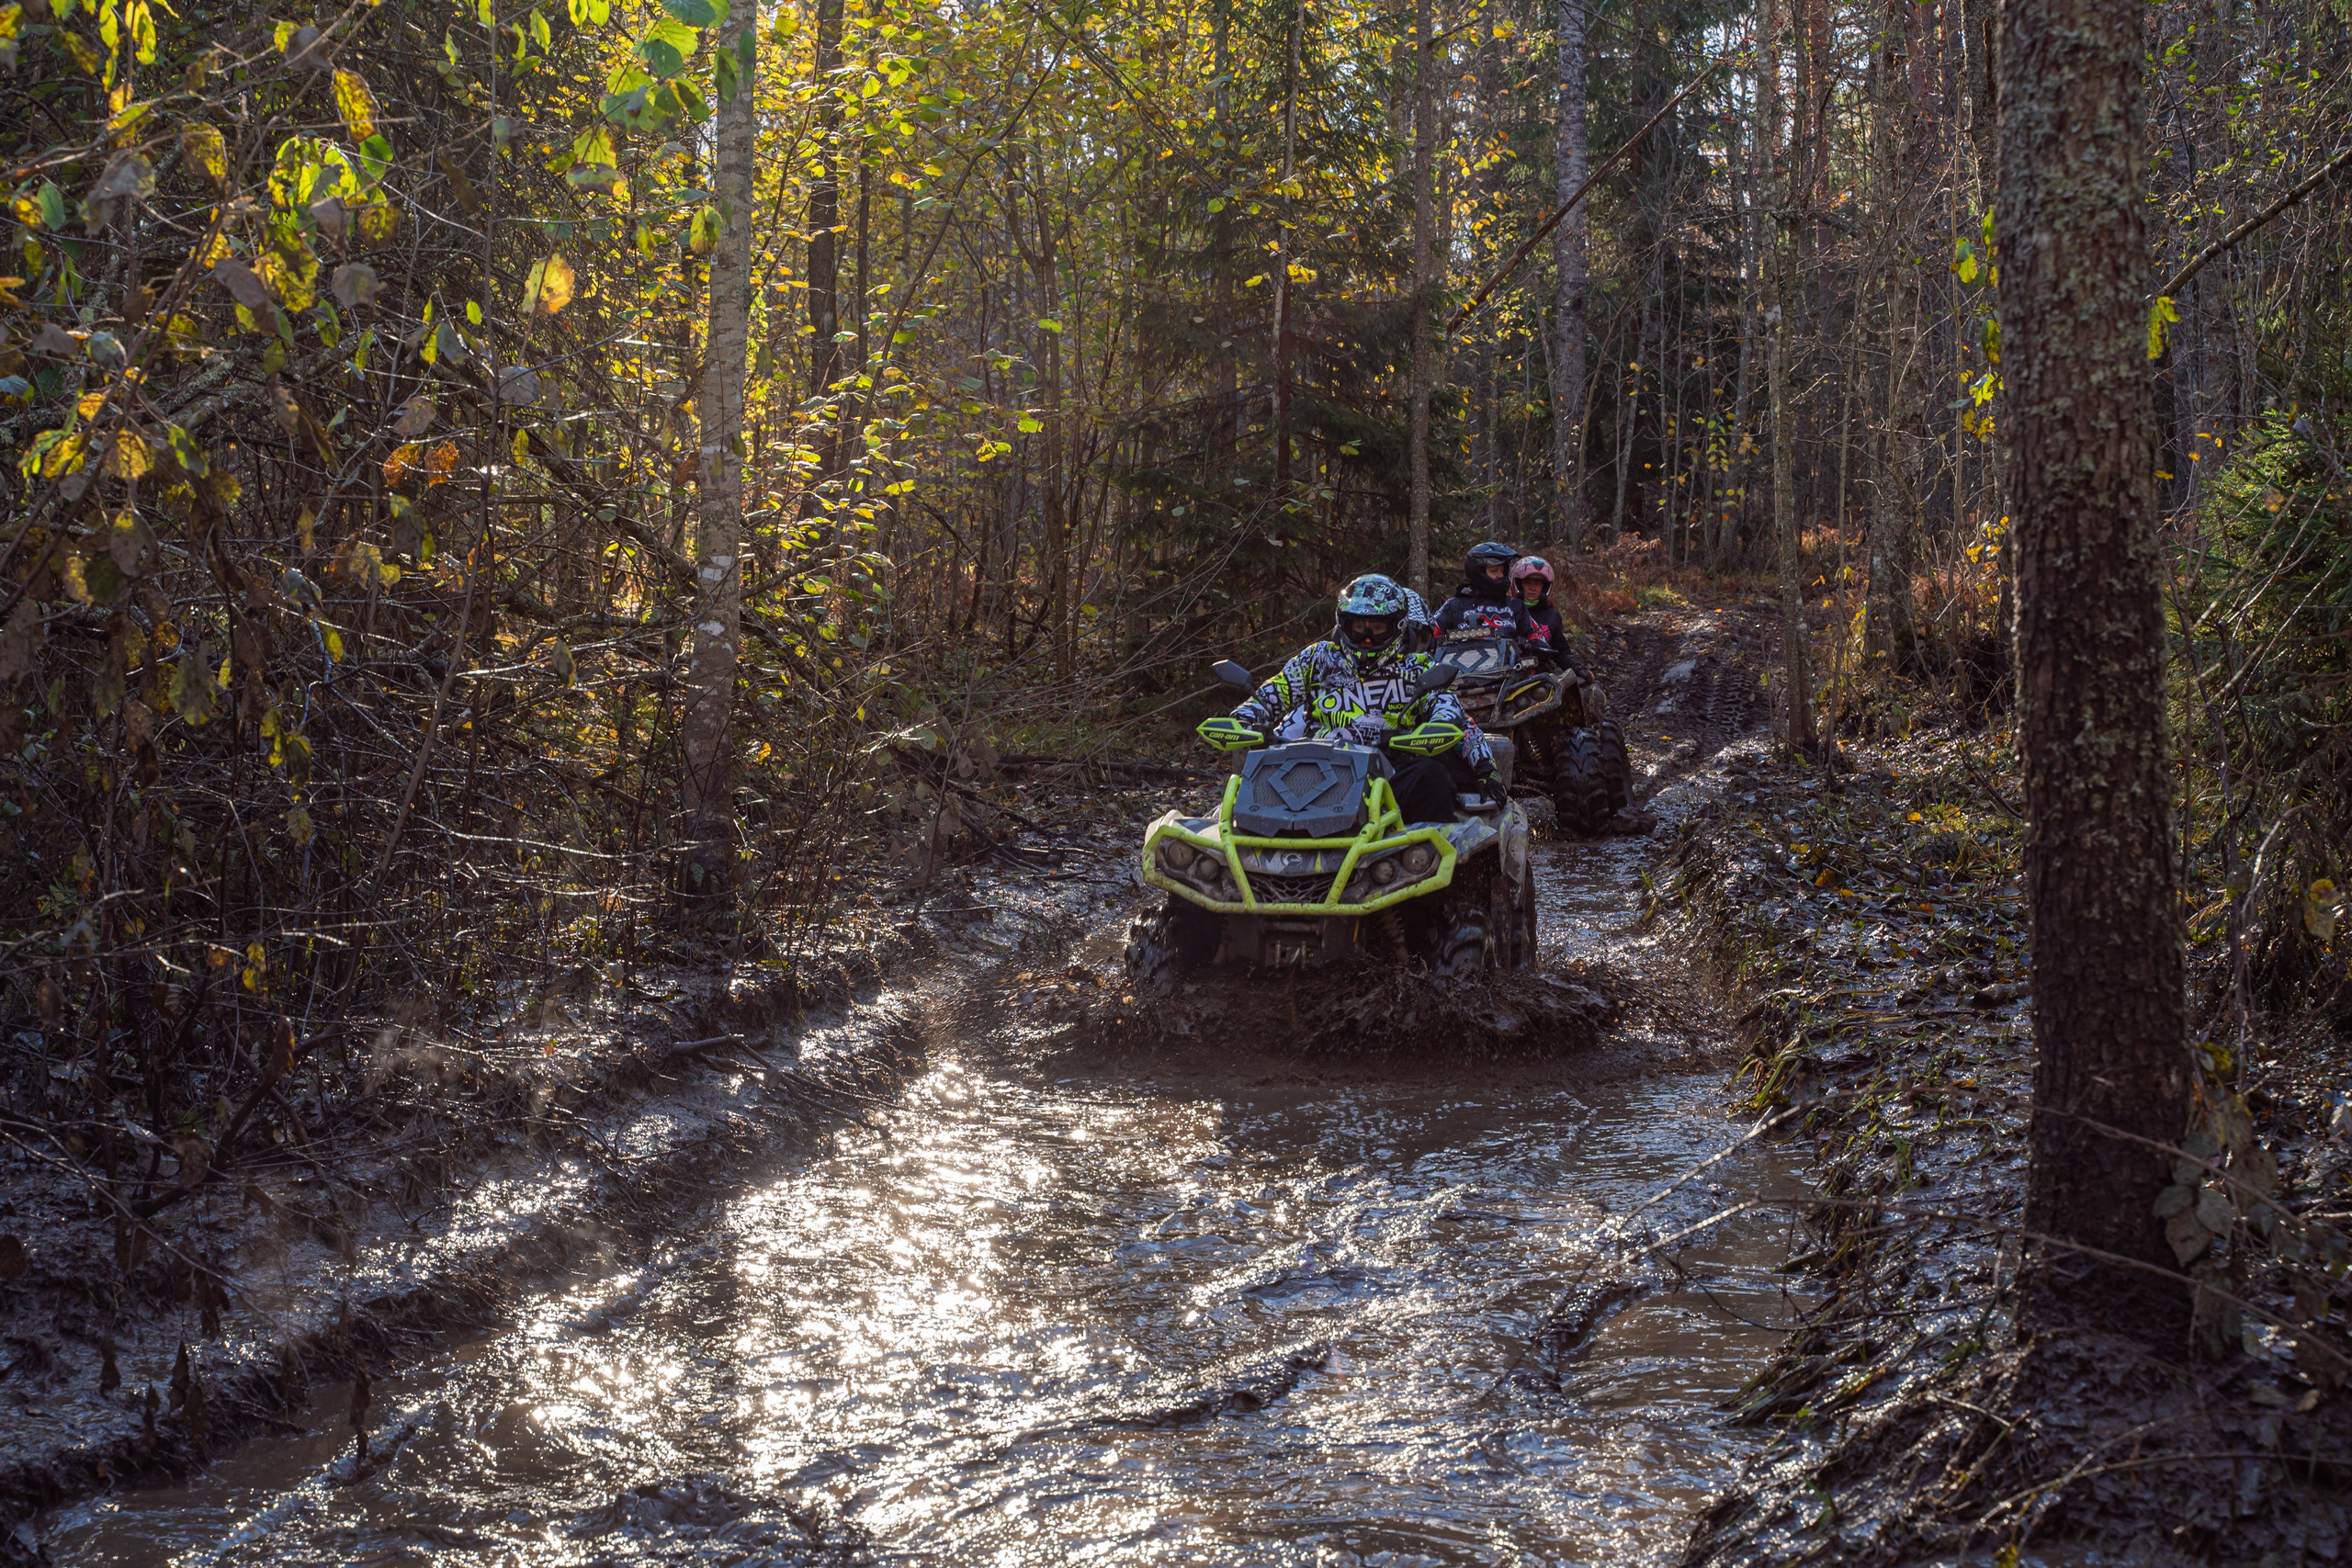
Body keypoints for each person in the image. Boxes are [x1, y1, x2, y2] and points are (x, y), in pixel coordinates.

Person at [1199, 575, 1496, 824]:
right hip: (1308, 764)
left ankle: (1434, 875)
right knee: (1244, 785)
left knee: (1431, 777)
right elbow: (1271, 695)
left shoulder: (1418, 667)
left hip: (1387, 768)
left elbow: (1446, 706)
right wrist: (1245, 719)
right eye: (1358, 627)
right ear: (1344, 623)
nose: (1367, 638)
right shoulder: (1317, 657)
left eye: (1377, 629)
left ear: (1397, 627)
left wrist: (1439, 729)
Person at [1434, 540, 1532, 640]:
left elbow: (1536, 635)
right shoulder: (1454, 605)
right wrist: (1433, 642)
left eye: (1502, 571)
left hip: (1508, 655)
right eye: (1494, 571)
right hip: (1464, 655)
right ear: (1477, 573)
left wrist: (1534, 643)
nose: (1500, 575)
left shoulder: (1515, 605)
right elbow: (1430, 634)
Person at [1510, 555, 1573, 670]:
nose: (1532, 588)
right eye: (1527, 582)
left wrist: (1578, 668)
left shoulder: (1551, 615)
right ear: (1519, 584)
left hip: (1539, 674)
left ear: (1545, 588)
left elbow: (1561, 651)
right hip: (1506, 671)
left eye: (1538, 584)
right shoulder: (1507, 609)